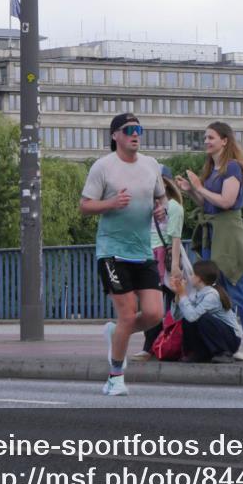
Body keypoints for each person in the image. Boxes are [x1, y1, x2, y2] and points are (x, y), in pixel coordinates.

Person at [80, 113, 167, 396]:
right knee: (128, 315)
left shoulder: (151, 164)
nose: (135, 134)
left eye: (138, 129)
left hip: (142, 250)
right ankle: (115, 377)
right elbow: (85, 206)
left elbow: (161, 196)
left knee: (155, 313)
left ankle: (117, 332)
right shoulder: (103, 167)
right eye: (129, 130)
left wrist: (161, 208)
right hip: (112, 252)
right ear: (115, 135)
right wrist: (112, 203)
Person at [176, 121, 243, 362]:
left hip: (228, 234)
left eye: (211, 137)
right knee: (214, 288)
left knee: (238, 288)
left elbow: (226, 201)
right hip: (212, 233)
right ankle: (221, 343)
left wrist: (199, 187)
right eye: (205, 138)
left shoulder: (232, 167)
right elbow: (209, 205)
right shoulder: (212, 171)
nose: (206, 141)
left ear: (225, 140)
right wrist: (191, 191)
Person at [132, 169, 186, 362]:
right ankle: (150, 345)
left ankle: (171, 343)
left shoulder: (174, 207)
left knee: (173, 305)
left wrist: (176, 266)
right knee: (150, 306)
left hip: (167, 258)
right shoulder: (145, 206)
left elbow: (176, 238)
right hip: (148, 257)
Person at [172, 259, 243, 363]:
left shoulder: (211, 295)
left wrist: (183, 295)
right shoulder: (195, 293)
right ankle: (198, 353)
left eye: (192, 274)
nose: (189, 277)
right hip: (217, 336)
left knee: (202, 318)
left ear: (200, 278)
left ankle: (223, 353)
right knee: (188, 317)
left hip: (231, 341)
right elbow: (178, 317)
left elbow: (193, 317)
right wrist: (178, 294)